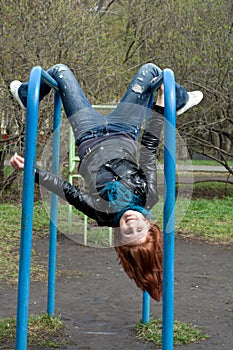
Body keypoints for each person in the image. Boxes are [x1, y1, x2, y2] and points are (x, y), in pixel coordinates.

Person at [10, 63, 203, 301]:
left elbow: (67, 191)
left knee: (60, 71)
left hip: (87, 132)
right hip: (125, 128)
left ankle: (27, 95)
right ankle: (179, 100)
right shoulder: (147, 194)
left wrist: (33, 172)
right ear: (148, 223)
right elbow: (148, 151)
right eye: (139, 229)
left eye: (128, 232)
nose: (131, 223)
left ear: (120, 236)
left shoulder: (101, 213)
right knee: (151, 71)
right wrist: (162, 107)